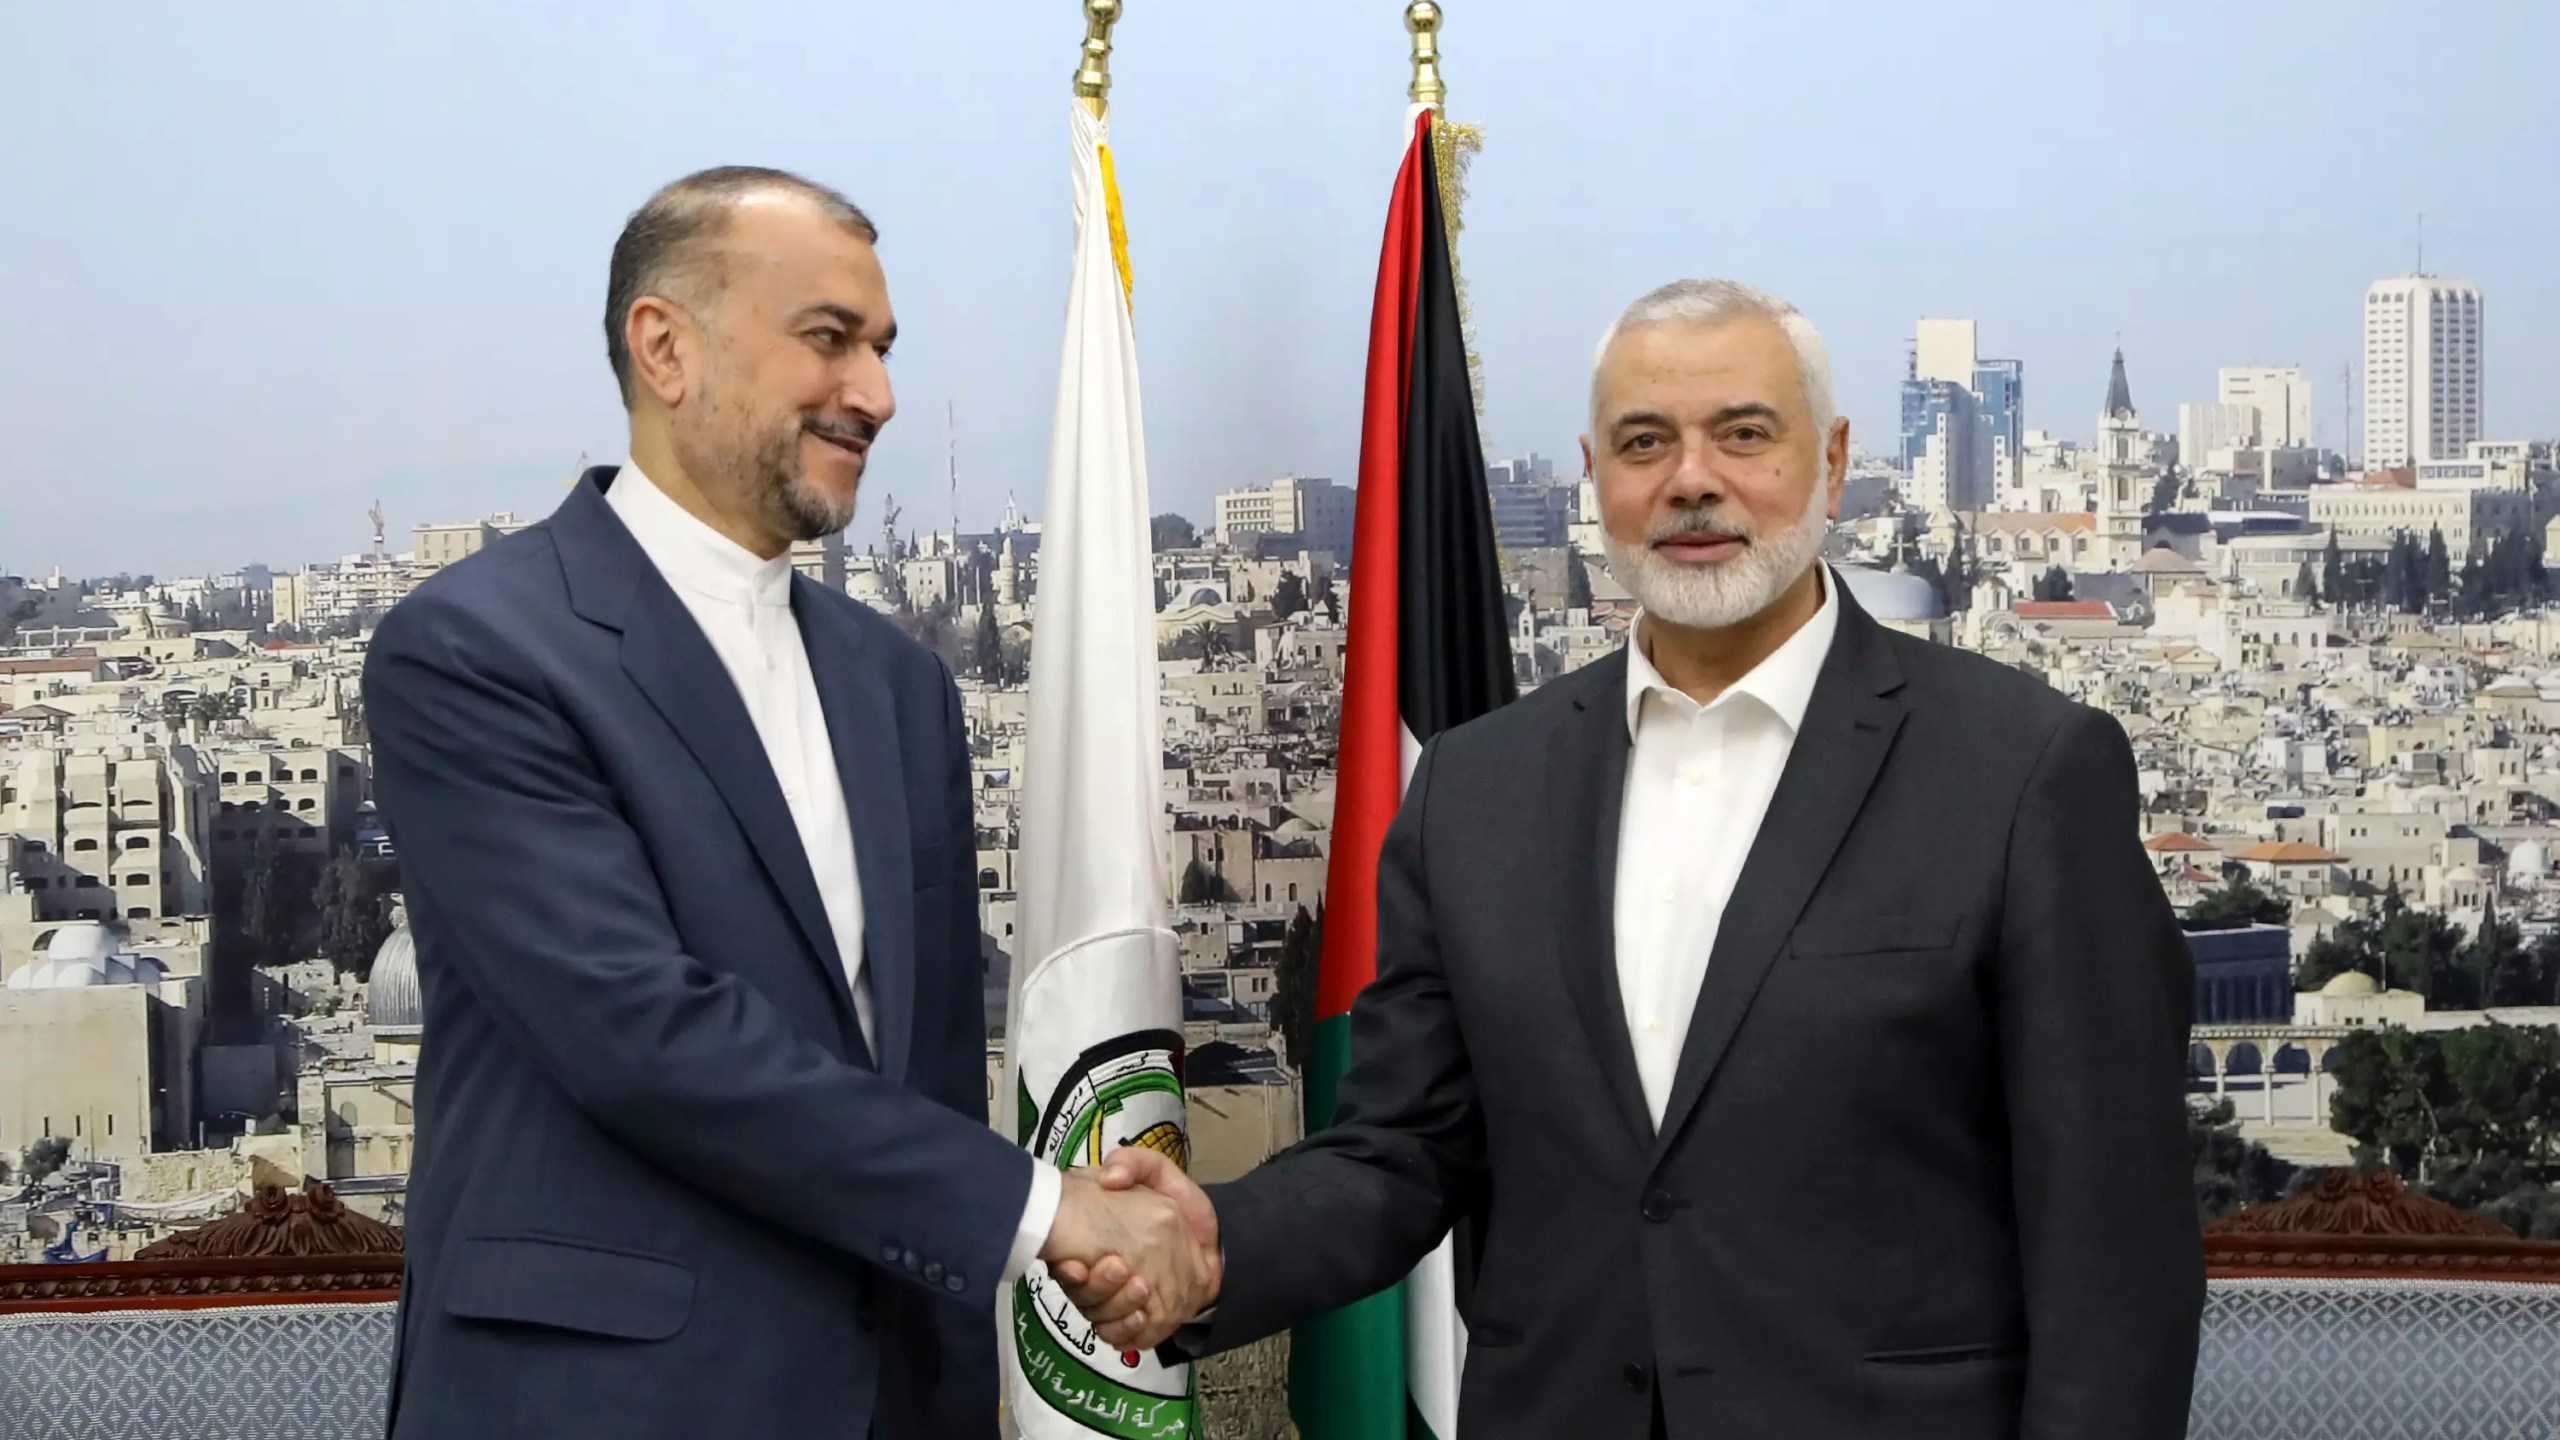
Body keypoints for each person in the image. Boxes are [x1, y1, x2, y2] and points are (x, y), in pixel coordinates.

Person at [1060, 280, 2203, 1440]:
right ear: (1592, 474)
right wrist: (1214, 1243)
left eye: (1744, 434)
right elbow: (1402, 1149)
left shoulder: (2019, 771)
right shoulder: (1476, 789)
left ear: (1833, 456)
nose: (1692, 479)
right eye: (1644, 442)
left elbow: (2115, 1244)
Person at [364, 166, 1208, 1440]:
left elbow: (915, 1074)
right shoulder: (477, 650)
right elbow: (643, 1039)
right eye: (829, 339)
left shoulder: (899, 686)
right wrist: (1055, 1213)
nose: (873, 393)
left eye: (879, 349)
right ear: (666, 349)